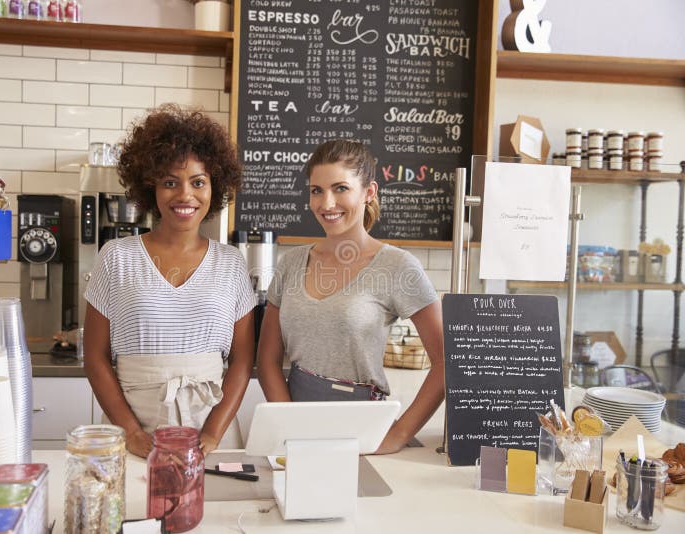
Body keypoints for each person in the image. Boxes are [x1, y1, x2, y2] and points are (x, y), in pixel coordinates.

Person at [83, 104, 256, 458]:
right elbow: (95, 356)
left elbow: (242, 359)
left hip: (212, 432)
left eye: (198, 182)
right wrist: (132, 433)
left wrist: (212, 433)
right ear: (151, 188)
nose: (185, 195)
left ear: (215, 187)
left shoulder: (231, 263)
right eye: (170, 182)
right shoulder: (116, 257)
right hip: (131, 428)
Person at [256, 139, 445, 454]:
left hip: (361, 427)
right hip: (295, 424)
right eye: (317, 190)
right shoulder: (291, 263)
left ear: (369, 192)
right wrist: (290, 425)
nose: (326, 203)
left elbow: (444, 362)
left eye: (340, 188)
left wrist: (398, 434)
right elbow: (267, 360)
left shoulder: (397, 266)